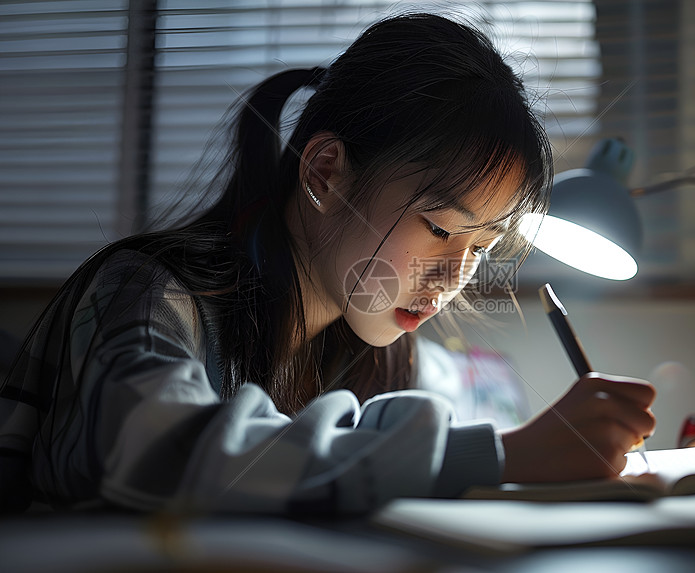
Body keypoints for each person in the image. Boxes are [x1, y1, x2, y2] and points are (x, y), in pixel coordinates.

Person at [0, 13, 655, 515]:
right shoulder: (147, 294)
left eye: (480, 249)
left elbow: (476, 404)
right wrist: (504, 455)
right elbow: (162, 449)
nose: (456, 274)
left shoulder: (370, 345)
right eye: (440, 228)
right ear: (325, 172)